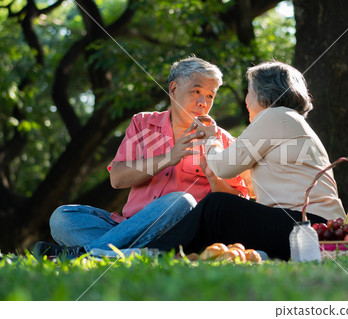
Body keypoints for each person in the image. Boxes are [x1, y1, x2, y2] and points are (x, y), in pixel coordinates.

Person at [33, 57, 247, 257]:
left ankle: (88, 254)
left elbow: (236, 207)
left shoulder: (223, 141)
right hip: (129, 226)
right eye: (196, 91)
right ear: (173, 89)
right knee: (63, 217)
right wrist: (169, 157)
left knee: (182, 200)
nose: (203, 102)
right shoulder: (143, 124)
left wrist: (213, 177)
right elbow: (117, 179)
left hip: (184, 234)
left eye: (210, 95)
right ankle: (140, 253)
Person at [147, 61, 346, 260]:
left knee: (217, 206)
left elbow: (223, 167)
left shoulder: (275, 116)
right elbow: (252, 189)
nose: (246, 100)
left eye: (249, 91)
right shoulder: (290, 120)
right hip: (316, 226)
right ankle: (188, 255)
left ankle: (151, 252)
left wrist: (211, 138)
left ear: (262, 93)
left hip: (308, 225)